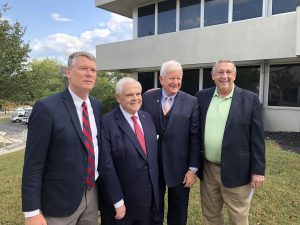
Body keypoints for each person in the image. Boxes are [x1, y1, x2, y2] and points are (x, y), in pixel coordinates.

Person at [22, 51, 102, 225]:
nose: (89, 74)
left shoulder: (96, 106)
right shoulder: (47, 108)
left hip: (92, 193)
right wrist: (31, 211)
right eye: (83, 68)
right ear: (68, 72)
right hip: (59, 200)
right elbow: (33, 162)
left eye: (93, 70)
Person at [195, 59, 266, 225]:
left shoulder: (250, 99)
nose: (224, 76)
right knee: (211, 214)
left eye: (228, 72)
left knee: (238, 216)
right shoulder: (202, 97)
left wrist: (258, 170)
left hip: (238, 169)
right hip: (208, 168)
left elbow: (257, 137)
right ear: (213, 75)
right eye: (220, 72)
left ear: (234, 75)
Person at [142, 60, 200, 225]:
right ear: (161, 80)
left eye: (179, 78)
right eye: (171, 78)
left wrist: (193, 169)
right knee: (154, 210)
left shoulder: (191, 101)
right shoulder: (147, 97)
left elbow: (195, 136)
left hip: (180, 168)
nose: (176, 82)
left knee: (179, 213)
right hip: (152, 166)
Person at [99, 77, 159, 225]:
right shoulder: (106, 123)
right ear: (118, 98)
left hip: (148, 202)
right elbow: (106, 166)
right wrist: (117, 201)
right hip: (122, 206)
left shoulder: (147, 118)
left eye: (138, 94)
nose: (135, 98)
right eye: (129, 95)